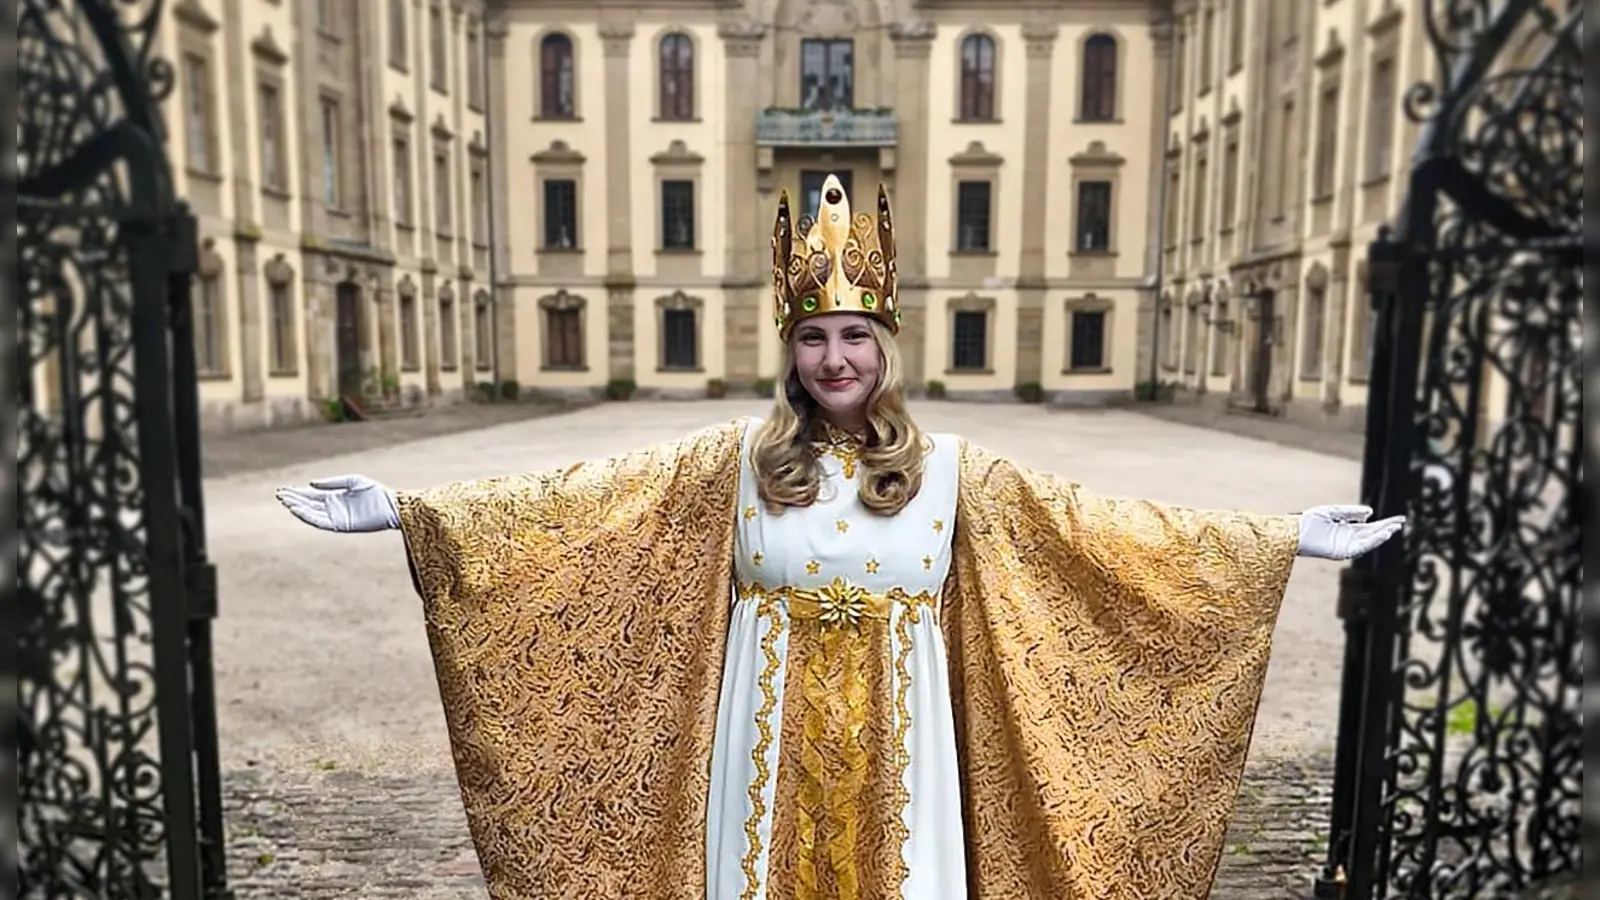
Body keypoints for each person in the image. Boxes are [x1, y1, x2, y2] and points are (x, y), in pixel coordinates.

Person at [276, 176, 1403, 900]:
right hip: (761, 723)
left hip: (906, 727)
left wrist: (1284, 537)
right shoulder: (731, 460)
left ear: (885, 345)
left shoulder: (960, 471)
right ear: (790, 351)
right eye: (813, 337)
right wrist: (411, 514)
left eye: (853, 335)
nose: (833, 359)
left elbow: (1106, 536)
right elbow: (579, 508)